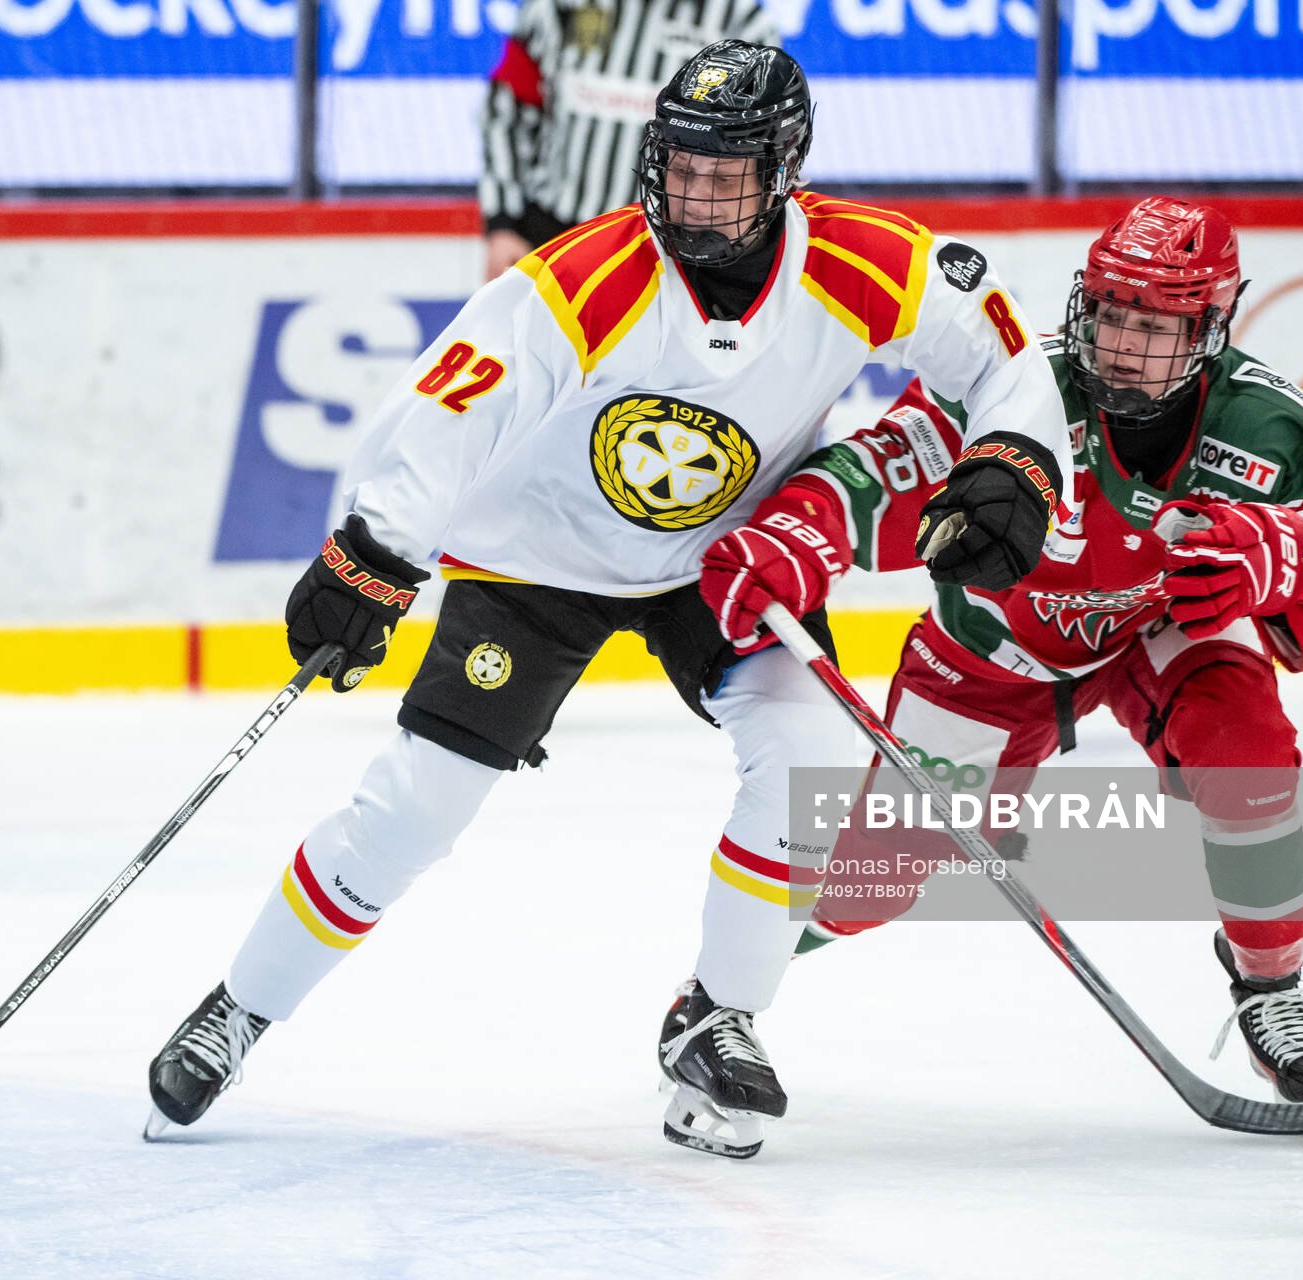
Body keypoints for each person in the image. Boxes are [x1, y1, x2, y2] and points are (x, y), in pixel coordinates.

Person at [145, 40, 1070, 1159]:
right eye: (679, 165)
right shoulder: (586, 277)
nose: (695, 193)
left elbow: (1004, 352)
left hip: (721, 562)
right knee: (414, 810)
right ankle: (238, 1008)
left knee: (808, 758)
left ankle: (717, 1016)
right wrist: (372, 550)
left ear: (787, 167)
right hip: (534, 563)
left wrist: (1014, 455)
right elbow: (451, 407)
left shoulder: (867, 262)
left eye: (726, 172)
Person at [702, 196, 1303, 1106]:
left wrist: (1285, 564)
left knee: (1247, 753)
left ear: (1212, 327)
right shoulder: (1014, 386)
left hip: (1163, 630)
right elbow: (881, 468)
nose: (1120, 342)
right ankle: (719, 997)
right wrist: (799, 531)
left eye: (1153, 325)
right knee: (873, 883)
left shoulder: (1278, 431)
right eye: (1110, 312)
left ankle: (1271, 989)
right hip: (994, 657)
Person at [480, 0, 777, 280]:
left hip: (674, 253)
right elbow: (507, 111)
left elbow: (764, 151)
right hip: (552, 234)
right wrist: (503, 223)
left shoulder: (742, 23)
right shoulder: (558, 5)